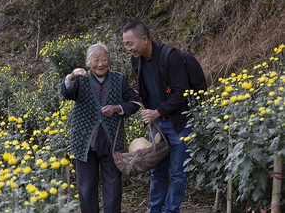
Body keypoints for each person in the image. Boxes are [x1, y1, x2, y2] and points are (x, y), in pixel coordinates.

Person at [122, 21, 193, 213]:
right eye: (125, 44)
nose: (128, 48)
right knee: (157, 171)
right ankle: (155, 210)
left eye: (130, 43)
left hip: (179, 124)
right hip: (157, 126)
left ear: (144, 39)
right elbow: (146, 85)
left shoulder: (170, 57)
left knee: (178, 173)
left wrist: (157, 112)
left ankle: (169, 211)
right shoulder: (136, 60)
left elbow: (181, 92)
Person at [60, 43, 140, 213]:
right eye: (96, 60)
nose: (101, 64)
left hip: (111, 142)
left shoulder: (119, 79)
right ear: (88, 62)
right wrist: (72, 76)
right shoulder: (80, 80)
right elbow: (66, 92)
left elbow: (134, 103)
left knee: (113, 187)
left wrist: (117, 108)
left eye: (104, 59)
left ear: (109, 61)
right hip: (85, 143)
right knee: (86, 188)